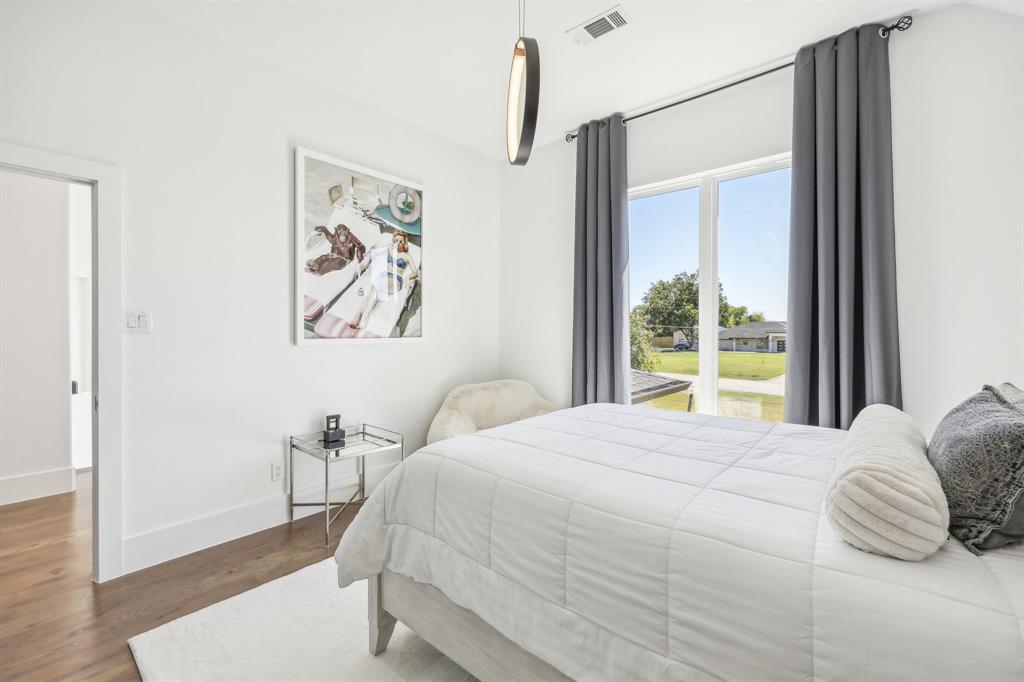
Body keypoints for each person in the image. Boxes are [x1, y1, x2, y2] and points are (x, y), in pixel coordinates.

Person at [349, 231, 418, 330]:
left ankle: (362, 318)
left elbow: (415, 272)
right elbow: (373, 253)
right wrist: (366, 259)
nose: (398, 243)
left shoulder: (407, 256)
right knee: (371, 294)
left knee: (375, 290)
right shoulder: (389, 248)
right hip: (383, 277)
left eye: (401, 241)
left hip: (395, 280)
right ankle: (358, 317)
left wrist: (408, 278)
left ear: (404, 243)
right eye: (396, 240)